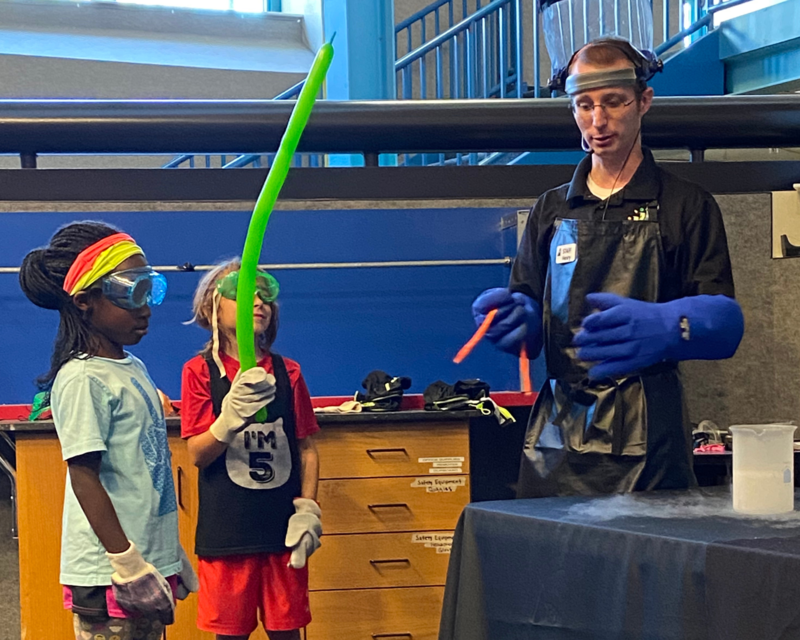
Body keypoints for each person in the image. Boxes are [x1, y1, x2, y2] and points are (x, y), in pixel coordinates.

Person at [472, 37, 745, 498]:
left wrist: (670, 324)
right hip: (557, 439)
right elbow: (530, 322)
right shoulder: (552, 209)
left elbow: (725, 325)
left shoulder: (685, 205)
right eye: (584, 105)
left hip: (650, 444)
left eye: (614, 103)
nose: (597, 121)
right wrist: (516, 322)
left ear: (644, 101)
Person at [19, 221, 197, 640]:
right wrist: (127, 563)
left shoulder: (131, 368)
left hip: (145, 561)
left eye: (149, 289)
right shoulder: (82, 378)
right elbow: (84, 475)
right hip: (110, 572)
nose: (145, 307)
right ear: (85, 301)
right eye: (131, 292)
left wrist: (167, 555)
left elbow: (139, 475)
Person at [181, 258, 321, 640]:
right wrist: (229, 419)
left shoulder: (287, 371)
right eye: (244, 294)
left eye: (266, 295)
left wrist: (308, 510)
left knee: (287, 634)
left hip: (282, 535)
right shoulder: (199, 372)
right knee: (230, 635)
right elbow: (197, 454)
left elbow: (305, 448)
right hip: (227, 538)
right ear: (213, 305)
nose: (259, 302)